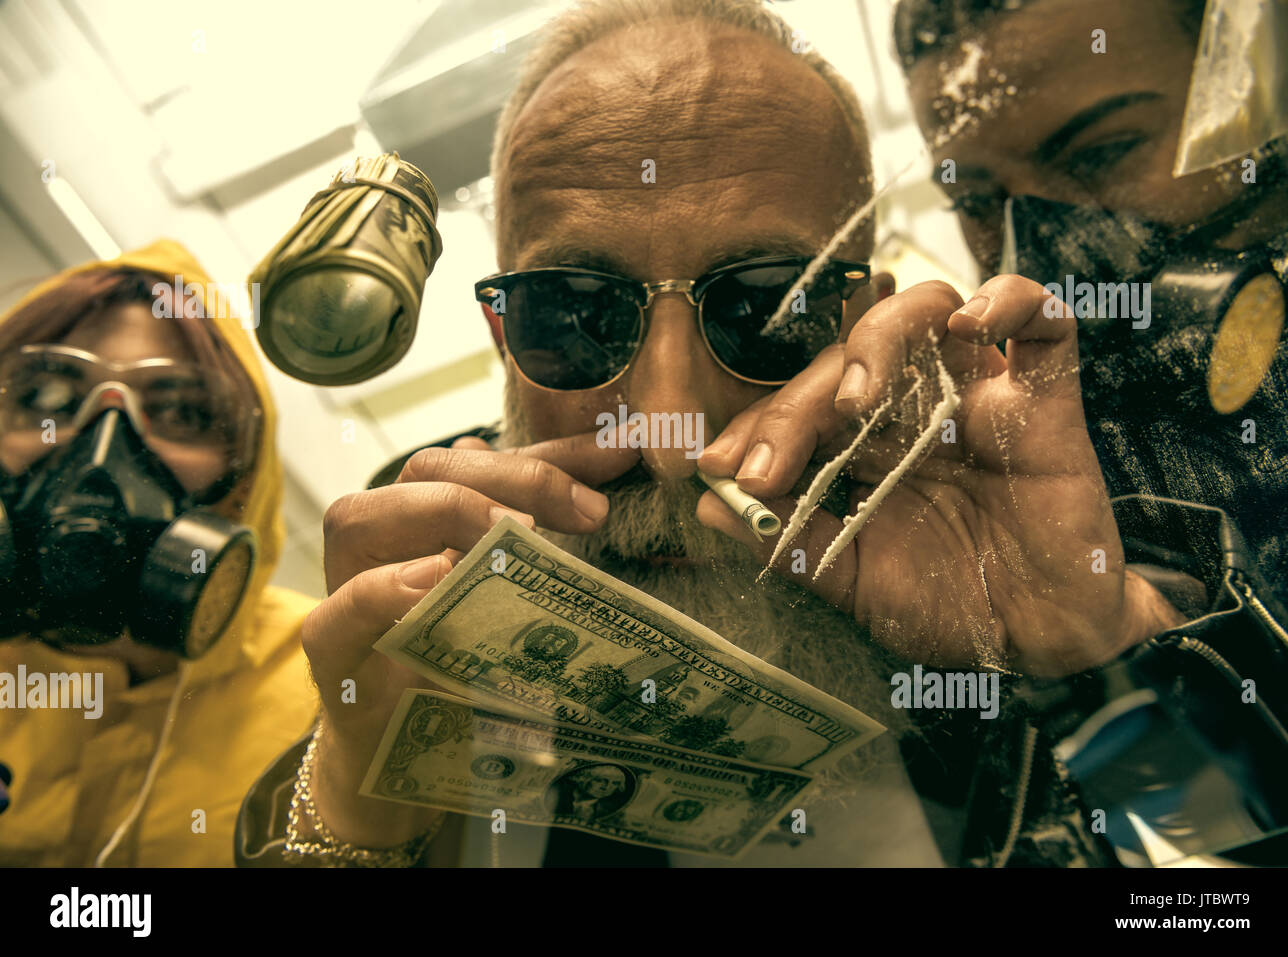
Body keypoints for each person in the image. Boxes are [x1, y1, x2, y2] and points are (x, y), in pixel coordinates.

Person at [236, 0, 1208, 868]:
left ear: (858, 318)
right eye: (573, 313)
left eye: (763, 311)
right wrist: (353, 807)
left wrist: (1093, 654)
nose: (670, 435)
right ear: (502, 334)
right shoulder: (422, 574)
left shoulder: (1038, 525)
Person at [892, 0, 1288, 864]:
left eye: (1103, 153)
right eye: (979, 201)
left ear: (1267, 97)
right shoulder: (1024, 498)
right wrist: (1109, 660)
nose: (1037, 249)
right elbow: (1204, 878)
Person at [0, 240, 319, 866]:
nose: (101, 451)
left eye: (180, 411)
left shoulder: (331, 689)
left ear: (245, 476)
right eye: (42, 400)